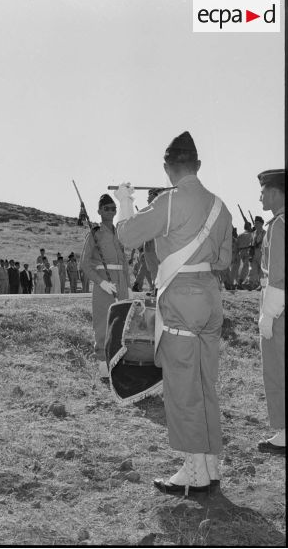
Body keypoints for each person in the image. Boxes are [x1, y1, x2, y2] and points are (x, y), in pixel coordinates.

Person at [115, 131, 232, 494]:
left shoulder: (169, 202)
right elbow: (224, 261)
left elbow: (125, 236)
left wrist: (125, 203)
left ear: (168, 168)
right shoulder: (221, 207)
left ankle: (194, 472)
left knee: (183, 386)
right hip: (210, 300)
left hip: (181, 301)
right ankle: (210, 465)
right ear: (197, 165)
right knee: (204, 383)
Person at [79, 194, 130, 377]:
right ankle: (102, 365)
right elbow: (84, 264)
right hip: (104, 284)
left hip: (121, 284)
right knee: (103, 323)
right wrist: (101, 282)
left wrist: (128, 286)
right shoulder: (95, 233)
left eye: (113, 208)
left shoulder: (119, 232)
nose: (110, 211)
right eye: (106, 208)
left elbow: (124, 262)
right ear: (99, 211)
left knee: (122, 323)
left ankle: (117, 361)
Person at [255, 169, 285, 455]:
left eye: (263, 191)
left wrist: (269, 313)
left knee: (277, 368)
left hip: (280, 308)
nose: (260, 196)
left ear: (275, 192)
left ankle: (284, 433)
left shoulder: (278, 225)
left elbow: (277, 275)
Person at [247, 216, 266, 290]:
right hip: (254, 253)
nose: (256, 225)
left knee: (262, 271)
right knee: (252, 269)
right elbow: (250, 244)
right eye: (255, 223)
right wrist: (250, 253)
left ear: (262, 224)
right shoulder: (253, 233)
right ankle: (251, 283)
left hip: (262, 253)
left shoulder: (265, 233)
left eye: (258, 223)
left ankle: (263, 286)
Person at [235, 222, 253, 288]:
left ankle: (241, 281)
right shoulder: (251, 234)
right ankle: (241, 281)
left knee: (245, 267)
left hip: (241, 252)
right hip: (248, 251)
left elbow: (236, 245)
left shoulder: (240, 235)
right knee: (247, 267)